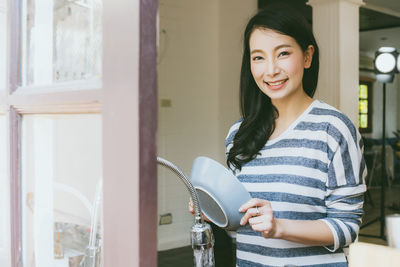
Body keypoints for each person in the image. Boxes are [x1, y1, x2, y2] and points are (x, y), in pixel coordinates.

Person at [223, 3, 367, 267]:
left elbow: (347, 228)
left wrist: (279, 227)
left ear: (307, 56)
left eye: (283, 53)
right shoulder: (239, 134)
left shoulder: (333, 129)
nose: (271, 70)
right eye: (258, 57)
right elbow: (239, 228)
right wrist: (212, 210)